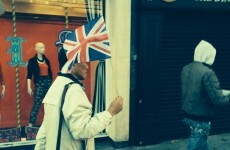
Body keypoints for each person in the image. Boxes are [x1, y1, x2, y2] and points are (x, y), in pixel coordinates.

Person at [35, 61, 123, 150]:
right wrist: (110, 112)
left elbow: (44, 133)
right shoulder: (73, 90)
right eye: (84, 62)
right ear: (73, 64)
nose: (87, 66)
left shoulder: (56, 85)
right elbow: (83, 131)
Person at [181, 40, 230, 150]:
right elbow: (219, 100)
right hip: (200, 120)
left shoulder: (186, 68)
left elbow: (197, 91)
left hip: (188, 116)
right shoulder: (207, 72)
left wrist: (223, 91)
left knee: (202, 145)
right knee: (196, 146)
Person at [27, 42, 52, 127]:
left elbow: (50, 73)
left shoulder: (47, 60)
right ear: (36, 49)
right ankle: (30, 124)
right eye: (41, 47)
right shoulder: (32, 61)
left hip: (47, 82)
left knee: (49, 103)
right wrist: (29, 87)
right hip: (39, 82)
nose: (43, 49)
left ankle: (49, 123)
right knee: (37, 104)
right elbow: (29, 75)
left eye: (44, 47)